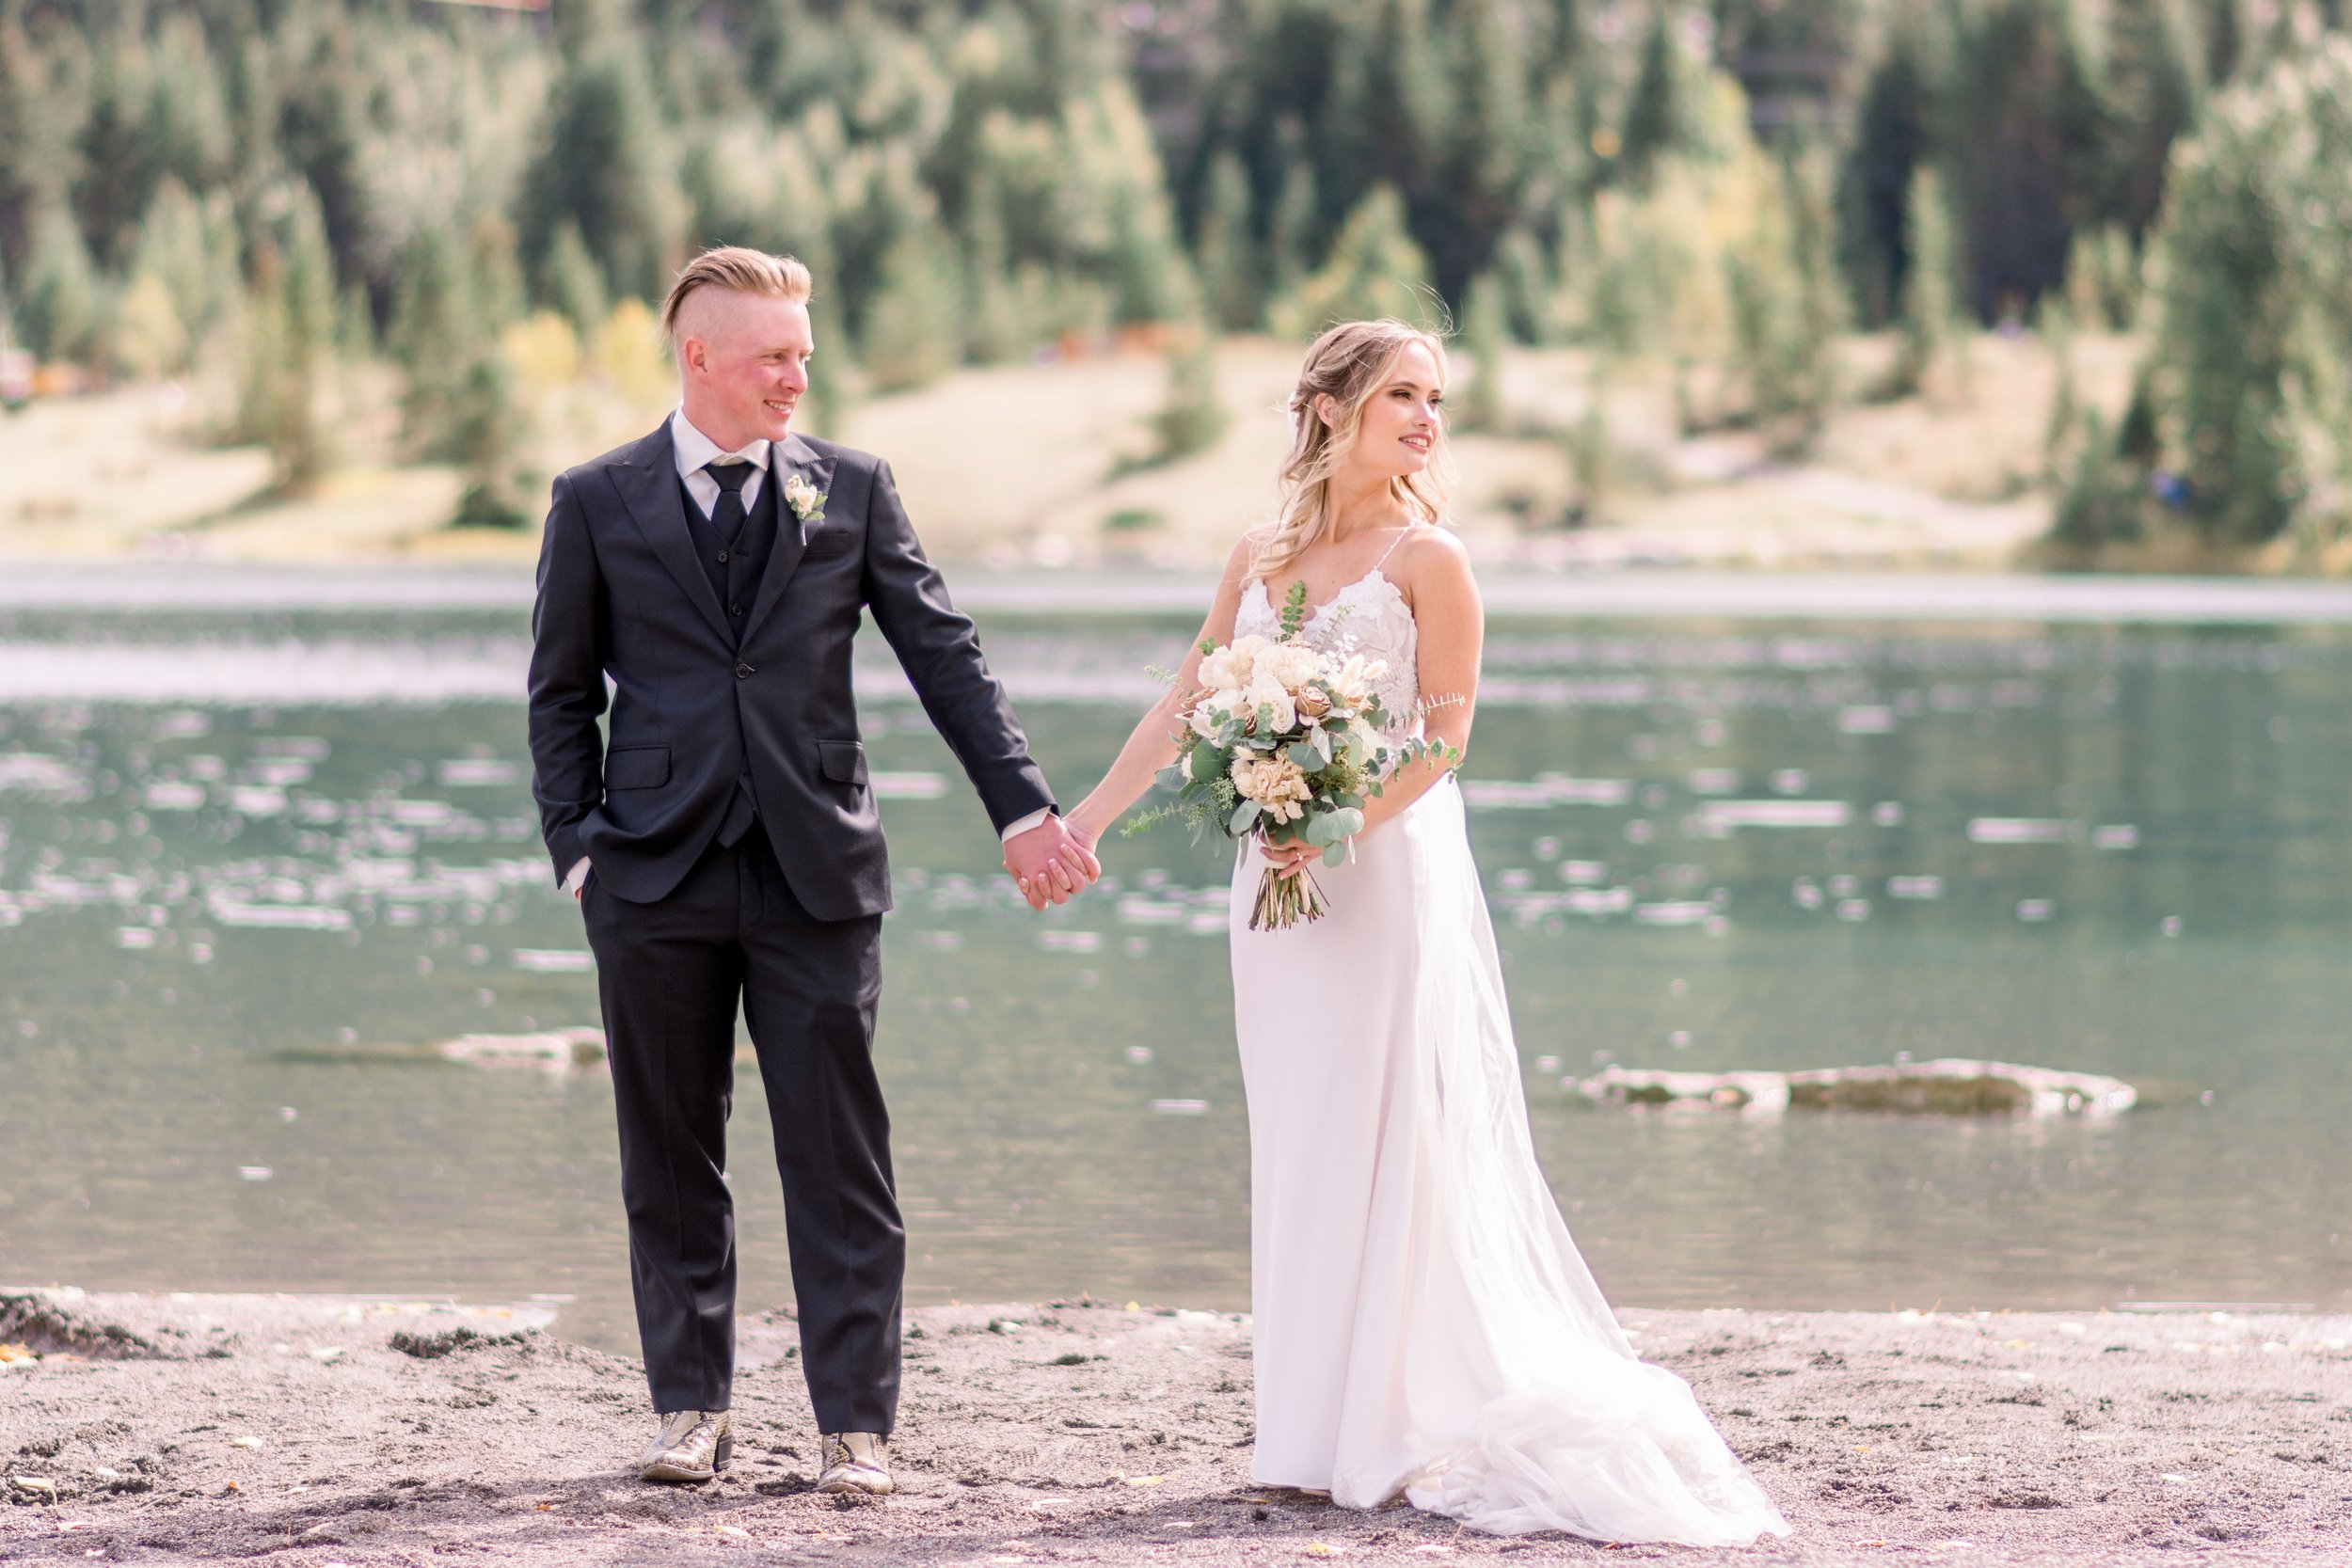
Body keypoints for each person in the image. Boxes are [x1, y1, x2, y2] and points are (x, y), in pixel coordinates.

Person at [1063, 320, 1789, 1544]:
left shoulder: (1430, 559)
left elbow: (1447, 739)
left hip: (1381, 869)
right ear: (1333, 406)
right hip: (1270, 881)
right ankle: (1300, 1436)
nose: (1426, 418)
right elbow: (1190, 697)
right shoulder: (1257, 553)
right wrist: (1081, 826)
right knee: (1301, 1134)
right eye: (1403, 392)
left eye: (1436, 398)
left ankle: (1383, 1427)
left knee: (1388, 1131)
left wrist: (1339, 823)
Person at [526, 246, 1098, 1494]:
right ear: (701, 358)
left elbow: (946, 658)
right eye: (776, 355)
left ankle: (857, 1427)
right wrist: (578, 851)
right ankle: (692, 1411)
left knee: (841, 1158)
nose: (799, 376)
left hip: (817, 876)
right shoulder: (597, 498)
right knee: (669, 1157)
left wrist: (1023, 811)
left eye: (805, 355)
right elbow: (559, 694)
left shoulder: (855, 488)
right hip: (653, 881)